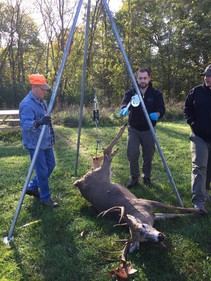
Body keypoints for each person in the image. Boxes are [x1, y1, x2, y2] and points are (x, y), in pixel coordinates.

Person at [120, 67, 165, 188]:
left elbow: (161, 109)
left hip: (148, 130)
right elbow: (125, 103)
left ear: (149, 78)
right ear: (137, 78)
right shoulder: (131, 92)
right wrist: (124, 108)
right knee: (132, 153)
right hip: (134, 129)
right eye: (140, 78)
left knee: (148, 155)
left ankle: (147, 177)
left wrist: (158, 114)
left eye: (145, 78)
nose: (142, 80)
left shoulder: (156, 94)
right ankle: (134, 177)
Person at [19, 74, 58, 207]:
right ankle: (45, 198)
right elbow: (25, 125)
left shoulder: (42, 101)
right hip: (35, 143)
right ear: (34, 87)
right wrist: (38, 122)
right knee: (41, 171)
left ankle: (32, 186)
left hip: (46, 141)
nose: (45, 92)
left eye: (46, 89)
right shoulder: (26, 104)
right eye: (42, 89)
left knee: (51, 165)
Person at [184, 64, 211, 215]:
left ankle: (205, 192)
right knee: (199, 166)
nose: (207, 78)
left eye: (209, 75)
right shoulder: (196, 91)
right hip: (199, 136)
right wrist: (193, 124)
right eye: (206, 75)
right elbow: (187, 109)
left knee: (209, 167)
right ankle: (198, 201)